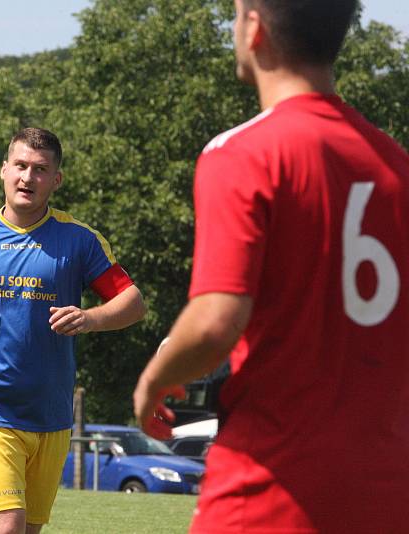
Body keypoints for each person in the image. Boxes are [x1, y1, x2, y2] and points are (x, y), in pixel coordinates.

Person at [133, 1, 409, 532]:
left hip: (271, 486)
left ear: (254, 29)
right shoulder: (395, 165)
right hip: (386, 489)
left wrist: (154, 380)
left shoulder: (243, 153)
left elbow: (216, 322)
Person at [0, 127, 145, 534]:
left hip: (51, 413)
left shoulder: (79, 240)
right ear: (4, 171)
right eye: (20, 166)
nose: (27, 177)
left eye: (40, 169)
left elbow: (132, 302)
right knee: (7, 526)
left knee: (27, 530)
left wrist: (90, 319)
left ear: (56, 180)